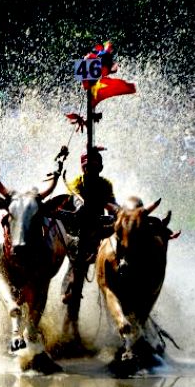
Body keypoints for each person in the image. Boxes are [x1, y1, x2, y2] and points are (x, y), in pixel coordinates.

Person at [58, 146, 118, 345]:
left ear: (100, 167)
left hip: (99, 231)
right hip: (77, 234)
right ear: (82, 168)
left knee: (116, 262)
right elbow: (75, 199)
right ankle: (68, 316)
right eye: (87, 166)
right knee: (75, 275)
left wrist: (118, 214)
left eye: (94, 166)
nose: (90, 170)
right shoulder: (76, 181)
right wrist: (81, 208)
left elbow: (111, 205)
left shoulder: (105, 184)